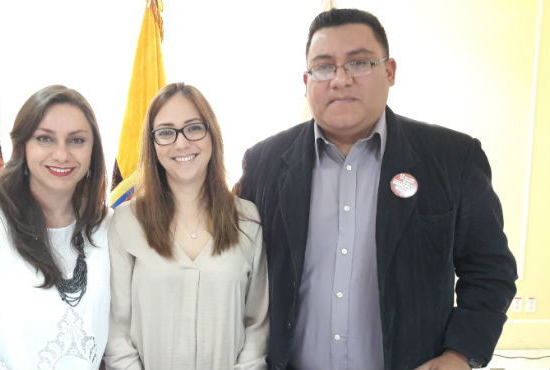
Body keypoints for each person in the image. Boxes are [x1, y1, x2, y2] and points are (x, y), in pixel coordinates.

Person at [234, 8, 517, 370]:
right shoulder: (265, 162)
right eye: (323, 66)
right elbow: (237, 269)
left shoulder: (452, 158)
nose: (340, 79)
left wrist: (459, 355)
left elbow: (490, 269)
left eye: (359, 63)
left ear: (389, 71)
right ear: (306, 81)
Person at [0, 85, 110, 370]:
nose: (62, 155)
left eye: (76, 140)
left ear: (93, 151)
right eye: (45, 139)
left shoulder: (107, 226)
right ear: (23, 146)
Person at [104, 82, 268, 370]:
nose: (181, 143)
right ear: (152, 145)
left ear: (212, 134)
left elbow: (257, 325)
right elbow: (117, 334)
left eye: (193, 128)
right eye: (166, 132)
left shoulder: (247, 220)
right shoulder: (126, 223)